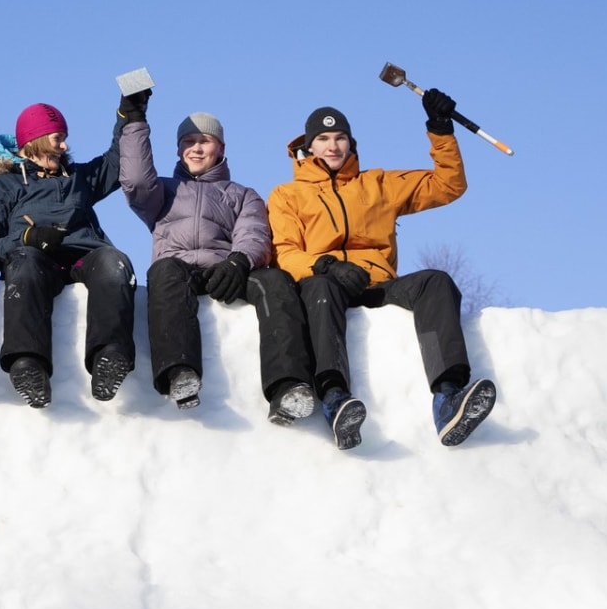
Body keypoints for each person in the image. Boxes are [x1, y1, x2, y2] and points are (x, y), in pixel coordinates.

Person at [258, 90, 497, 450]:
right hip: (325, 284)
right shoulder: (287, 195)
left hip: (378, 282)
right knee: (319, 288)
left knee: (435, 281)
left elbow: (448, 185)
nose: (332, 146)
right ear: (308, 147)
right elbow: (285, 253)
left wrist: (440, 128)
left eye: (339, 138)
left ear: (351, 143)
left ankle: (448, 397)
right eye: (322, 139)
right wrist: (326, 265)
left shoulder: (378, 184)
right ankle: (335, 398)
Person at [116, 92, 273, 412]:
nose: (197, 148)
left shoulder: (242, 194)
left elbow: (254, 233)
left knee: (275, 282)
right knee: (163, 269)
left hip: (224, 273)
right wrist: (135, 120)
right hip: (178, 273)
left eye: (205, 140)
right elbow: (134, 180)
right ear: (178, 149)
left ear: (221, 149)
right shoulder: (162, 191)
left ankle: (285, 384)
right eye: (188, 141)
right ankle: (179, 372)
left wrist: (239, 261)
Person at [0, 98, 136, 407]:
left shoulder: (77, 178)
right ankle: (27, 364)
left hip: (83, 255)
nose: (65, 147)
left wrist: (129, 115)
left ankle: (110, 356)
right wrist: (28, 237)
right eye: (58, 138)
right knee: (24, 263)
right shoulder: (3, 185)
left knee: (114, 261)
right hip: (35, 259)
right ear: (35, 140)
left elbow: (116, 162)